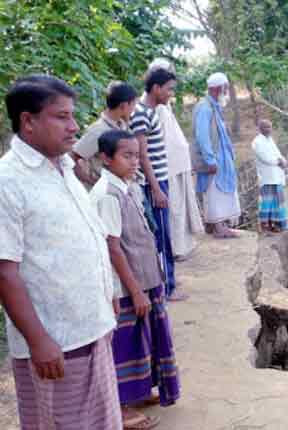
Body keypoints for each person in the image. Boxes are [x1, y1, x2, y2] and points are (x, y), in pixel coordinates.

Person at [0, 75, 122, 429]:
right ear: (28, 121)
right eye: (62, 116)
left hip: (91, 326)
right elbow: (4, 271)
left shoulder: (63, 167)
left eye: (73, 116)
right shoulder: (8, 180)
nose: (74, 127)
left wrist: (108, 292)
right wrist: (38, 340)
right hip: (56, 342)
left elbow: (87, 237)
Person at [91, 130, 181, 430]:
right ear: (106, 158)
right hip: (128, 286)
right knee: (125, 345)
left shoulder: (128, 186)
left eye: (136, 155)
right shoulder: (107, 195)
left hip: (144, 278)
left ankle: (139, 393)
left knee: (146, 339)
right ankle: (120, 407)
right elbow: (113, 248)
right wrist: (135, 291)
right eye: (126, 156)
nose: (134, 162)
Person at [131, 68, 185, 301]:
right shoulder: (142, 114)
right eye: (169, 89)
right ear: (156, 88)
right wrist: (155, 189)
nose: (171, 94)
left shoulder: (150, 112)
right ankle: (166, 288)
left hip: (160, 180)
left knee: (164, 232)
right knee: (160, 235)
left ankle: (167, 280)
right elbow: (142, 156)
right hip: (154, 184)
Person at [146, 59, 203, 260]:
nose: (171, 90)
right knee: (174, 210)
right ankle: (176, 249)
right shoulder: (153, 109)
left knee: (180, 209)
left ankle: (183, 246)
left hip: (178, 165)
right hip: (166, 168)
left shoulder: (164, 105)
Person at [192, 72, 241, 239]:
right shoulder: (204, 107)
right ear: (218, 89)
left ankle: (217, 225)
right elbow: (202, 136)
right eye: (225, 88)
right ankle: (218, 227)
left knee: (220, 192)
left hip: (222, 158)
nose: (227, 92)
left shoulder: (214, 106)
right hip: (213, 159)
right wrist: (210, 160)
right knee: (214, 192)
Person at [72, 81, 138, 189]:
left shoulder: (121, 125)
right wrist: (91, 182)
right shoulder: (98, 131)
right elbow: (73, 157)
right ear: (124, 106)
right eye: (133, 105)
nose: (134, 109)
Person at [253, 119, 288, 233]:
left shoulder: (270, 140)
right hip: (267, 177)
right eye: (265, 127)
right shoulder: (257, 142)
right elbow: (265, 158)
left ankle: (277, 224)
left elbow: (278, 153)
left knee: (277, 202)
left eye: (270, 127)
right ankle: (266, 225)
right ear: (260, 128)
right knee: (267, 202)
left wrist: (283, 160)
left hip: (276, 177)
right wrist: (279, 162)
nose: (268, 129)